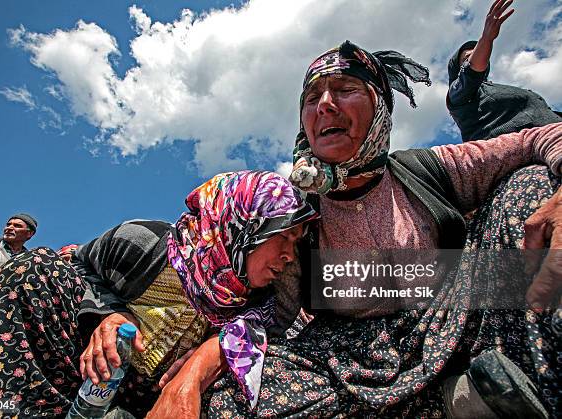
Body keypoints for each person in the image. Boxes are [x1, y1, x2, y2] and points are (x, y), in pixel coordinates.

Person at [149, 40, 562, 418]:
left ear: (379, 106)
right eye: (311, 98)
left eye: (346, 88)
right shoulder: (299, 222)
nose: (325, 104)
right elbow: (271, 320)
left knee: (530, 186)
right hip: (359, 359)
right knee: (231, 401)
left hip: (456, 315)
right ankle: (454, 400)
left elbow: (541, 136)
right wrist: (197, 370)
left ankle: (537, 385)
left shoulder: (425, 171)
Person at [0, 171, 317, 418]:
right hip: (88, 359)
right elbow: (79, 265)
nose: (288, 256)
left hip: (145, 393)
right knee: (35, 266)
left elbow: (275, 327)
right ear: (240, 224)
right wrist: (110, 313)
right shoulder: (143, 241)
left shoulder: (255, 303)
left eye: (295, 244)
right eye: (281, 237)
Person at [447, 0, 561, 142]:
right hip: (523, 147)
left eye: (476, 52)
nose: (474, 56)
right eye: (466, 58)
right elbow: (470, 73)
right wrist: (486, 38)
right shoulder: (458, 94)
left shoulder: (496, 89)